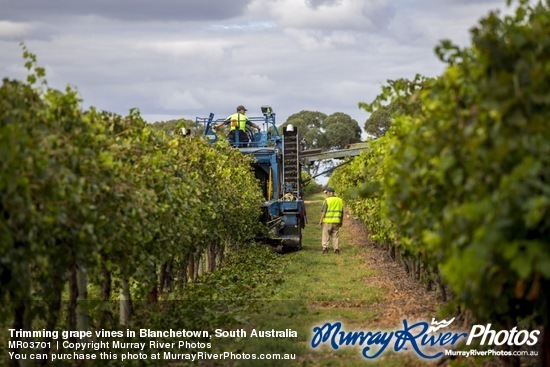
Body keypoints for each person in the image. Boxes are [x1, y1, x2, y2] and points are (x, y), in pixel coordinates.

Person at [318, 187, 344, 254]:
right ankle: (336, 249)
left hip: (328, 221)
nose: (326, 194)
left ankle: (325, 248)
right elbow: (342, 212)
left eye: (326, 193)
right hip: (336, 221)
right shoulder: (340, 200)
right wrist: (341, 221)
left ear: (330, 193)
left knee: (326, 235)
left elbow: (324, 212)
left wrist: (321, 221)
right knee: (335, 235)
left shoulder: (327, 200)